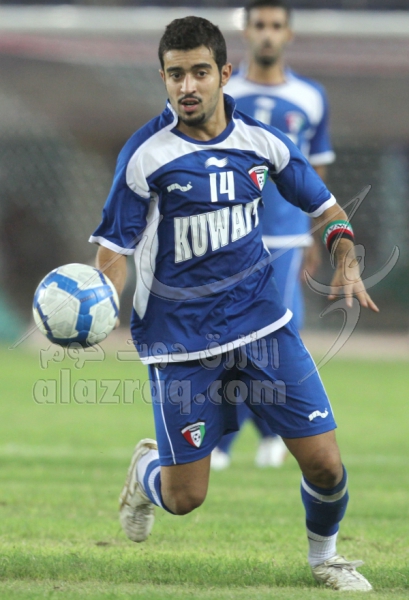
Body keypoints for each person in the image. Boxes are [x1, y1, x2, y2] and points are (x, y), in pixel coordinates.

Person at [90, 16, 378, 591]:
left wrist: (345, 255)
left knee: (326, 464)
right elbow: (114, 250)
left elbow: (326, 208)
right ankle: (146, 473)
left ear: (224, 73)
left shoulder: (261, 141)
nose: (187, 86)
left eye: (199, 72)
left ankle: (325, 558)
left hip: (261, 326)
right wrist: (101, 300)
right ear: (163, 78)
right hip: (179, 341)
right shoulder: (146, 155)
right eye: (175, 74)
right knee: (185, 498)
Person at [212, 0, 335, 471]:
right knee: (225, 336)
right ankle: (262, 433)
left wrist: (312, 234)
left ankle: (230, 443)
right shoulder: (223, 91)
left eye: (276, 25)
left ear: (288, 34)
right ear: (246, 32)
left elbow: (315, 169)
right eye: (259, 24)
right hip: (228, 236)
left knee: (267, 336)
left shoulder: (311, 97)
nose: (267, 33)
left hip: (284, 237)